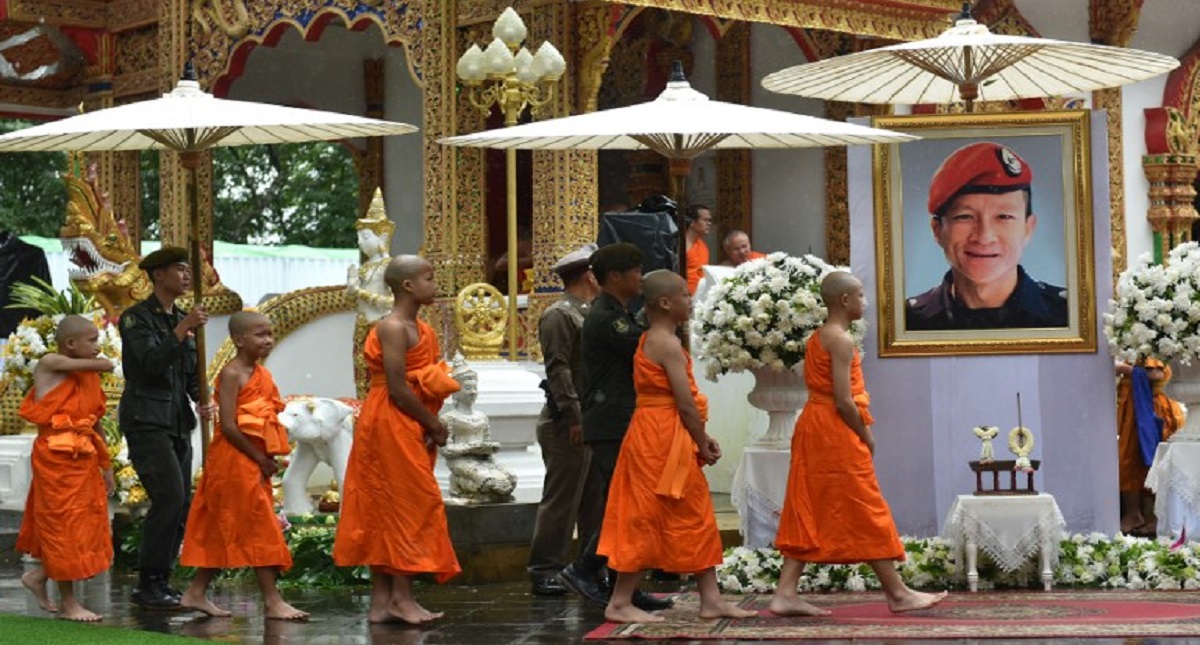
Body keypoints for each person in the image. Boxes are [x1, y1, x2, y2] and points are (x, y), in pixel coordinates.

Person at [770, 271, 947, 617]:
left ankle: (785, 592)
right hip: (834, 430)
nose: (865, 302)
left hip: (813, 427)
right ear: (844, 301)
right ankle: (897, 594)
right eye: (861, 296)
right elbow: (843, 400)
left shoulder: (818, 337)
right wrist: (865, 433)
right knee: (865, 505)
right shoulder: (841, 340)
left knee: (810, 503)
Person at [597, 270, 758, 624]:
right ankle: (620, 601)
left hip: (661, 434)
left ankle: (711, 599)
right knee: (646, 515)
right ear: (665, 302)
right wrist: (702, 440)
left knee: (693, 513)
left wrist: (699, 437)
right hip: (660, 438)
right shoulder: (665, 343)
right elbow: (684, 404)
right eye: (685, 295)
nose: (691, 300)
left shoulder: (654, 338)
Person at [333, 255, 462, 624]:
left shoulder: (424, 329)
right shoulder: (392, 327)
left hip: (409, 419)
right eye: (429, 278)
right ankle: (399, 599)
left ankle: (383, 603)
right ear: (407, 286)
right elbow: (396, 387)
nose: (434, 285)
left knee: (393, 504)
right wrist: (433, 425)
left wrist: (429, 418)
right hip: (391, 418)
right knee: (405, 505)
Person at [557, 243, 672, 612]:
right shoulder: (608, 318)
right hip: (613, 422)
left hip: (620, 419)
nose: (641, 277)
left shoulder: (619, 312)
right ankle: (585, 567)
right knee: (623, 505)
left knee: (626, 503)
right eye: (636, 270)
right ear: (616, 277)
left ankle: (623, 584)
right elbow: (644, 349)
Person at [178, 311, 309, 621]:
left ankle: (196, 591)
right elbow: (229, 425)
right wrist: (259, 457)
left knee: (226, 526)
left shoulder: (263, 374)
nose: (269, 340)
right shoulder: (232, 373)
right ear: (239, 340)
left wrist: (269, 453)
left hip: (252, 460)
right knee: (259, 526)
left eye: (270, 334)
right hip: (234, 460)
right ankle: (273, 601)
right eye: (261, 335)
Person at [118, 246, 212, 609]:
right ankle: (148, 582)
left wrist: (201, 397)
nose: (187, 275)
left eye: (189, 270)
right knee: (169, 495)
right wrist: (182, 329)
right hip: (146, 419)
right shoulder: (136, 319)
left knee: (182, 500)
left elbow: (188, 372)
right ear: (158, 275)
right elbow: (149, 365)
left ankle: (162, 578)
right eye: (179, 269)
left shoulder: (186, 317)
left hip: (176, 419)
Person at [905, 142, 1068, 330]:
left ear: (1028, 228)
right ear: (937, 230)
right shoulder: (906, 322)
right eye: (964, 217)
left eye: (1004, 216)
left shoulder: (1070, 316)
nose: (984, 236)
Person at [17, 315, 115, 622]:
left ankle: (40, 576)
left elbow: (94, 421)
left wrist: (107, 466)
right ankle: (70, 603)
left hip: (84, 456)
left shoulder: (87, 373)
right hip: (55, 458)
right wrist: (104, 361)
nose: (97, 347)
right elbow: (102, 365)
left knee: (84, 524)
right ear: (70, 343)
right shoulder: (49, 363)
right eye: (92, 340)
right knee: (63, 524)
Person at [528, 243, 607, 596]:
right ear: (590, 274)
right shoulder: (560, 315)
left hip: (592, 417)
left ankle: (587, 567)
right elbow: (558, 370)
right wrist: (574, 417)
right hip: (567, 420)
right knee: (562, 500)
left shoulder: (591, 312)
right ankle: (546, 568)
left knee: (594, 499)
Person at [1115, 359, 1185, 535]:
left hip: (1153, 408)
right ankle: (1133, 513)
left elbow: (1157, 374)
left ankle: (1156, 517)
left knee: (1155, 462)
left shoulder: (1153, 340)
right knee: (1127, 462)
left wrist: (1125, 369)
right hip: (1131, 408)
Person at [684, 205, 713, 294]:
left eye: (709, 220)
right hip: (683, 294)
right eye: (705, 220)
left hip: (700, 293)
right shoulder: (680, 244)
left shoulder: (702, 245)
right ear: (692, 222)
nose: (709, 223)